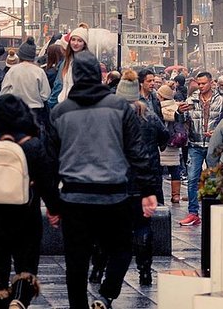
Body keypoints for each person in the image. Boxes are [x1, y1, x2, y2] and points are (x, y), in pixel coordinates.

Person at [45, 51, 158, 309]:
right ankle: (106, 294)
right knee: (121, 248)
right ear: (99, 76)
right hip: (113, 194)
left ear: (73, 76)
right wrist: (148, 189)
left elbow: (50, 161)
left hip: (74, 196)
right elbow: (137, 151)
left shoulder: (60, 112)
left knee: (76, 260)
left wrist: (52, 203)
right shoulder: (119, 107)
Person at [0, 95, 59, 309]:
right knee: (26, 264)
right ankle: (19, 300)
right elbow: (46, 182)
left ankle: (0, 303)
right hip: (24, 214)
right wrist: (54, 209)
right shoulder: (33, 144)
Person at [114, 70, 166, 286]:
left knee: (110, 226)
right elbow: (164, 136)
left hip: (116, 179)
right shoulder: (149, 115)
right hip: (144, 176)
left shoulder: (111, 116)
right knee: (143, 224)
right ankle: (145, 271)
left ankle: (98, 269)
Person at [179, 71, 223, 227]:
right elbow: (182, 121)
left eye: (203, 83)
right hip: (195, 144)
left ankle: (212, 211)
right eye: (198, 84)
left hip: (214, 145)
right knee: (192, 178)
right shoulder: (191, 100)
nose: (200, 86)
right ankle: (193, 213)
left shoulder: (222, 101)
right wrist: (179, 112)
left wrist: (217, 132)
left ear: (211, 83)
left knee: (213, 178)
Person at [0, 38, 51, 130]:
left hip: (16, 110)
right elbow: (45, 95)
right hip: (35, 111)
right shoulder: (39, 71)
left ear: (20, 55)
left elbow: (3, 93)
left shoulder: (12, 71)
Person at [48, 26, 89, 108]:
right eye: (73, 39)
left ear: (84, 44)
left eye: (79, 41)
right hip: (64, 105)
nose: (75, 43)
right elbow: (59, 84)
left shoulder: (88, 63)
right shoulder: (66, 62)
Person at [158, 83, 185, 204]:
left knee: (159, 170)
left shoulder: (161, 108)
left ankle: (159, 195)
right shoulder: (176, 107)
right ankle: (176, 196)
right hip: (175, 143)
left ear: (162, 96)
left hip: (163, 144)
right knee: (175, 169)